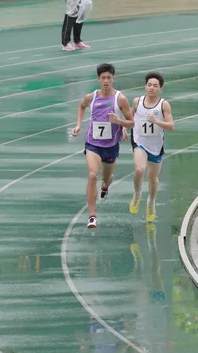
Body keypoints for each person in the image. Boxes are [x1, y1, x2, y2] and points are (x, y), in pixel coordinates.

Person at [72, 63, 133, 229]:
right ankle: (92, 216)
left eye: (109, 78)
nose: (106, 81)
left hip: (111, 146)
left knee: (106, 178)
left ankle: (105, 185)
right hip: (93, 143)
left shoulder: (120, 99)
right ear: (98, 79)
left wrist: (121, 124)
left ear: (113, 78)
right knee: (92, 175)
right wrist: (78, 125)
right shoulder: (91, 97)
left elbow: (132, 121)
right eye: (103, 78)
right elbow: (81, 107)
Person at [129, 72, 174, 223]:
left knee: (153, 178)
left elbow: (170, 126)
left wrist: (156, 121)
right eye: (149, 85)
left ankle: (151, 203)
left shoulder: (163, 105)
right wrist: (124, 128)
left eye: (155, 86)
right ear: (145, 86)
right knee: (139, 169)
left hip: (156, 145)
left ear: (160, 89)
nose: (151, 88)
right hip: (139, 141)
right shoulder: (137, 101)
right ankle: (137, 194)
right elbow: (130, 116)